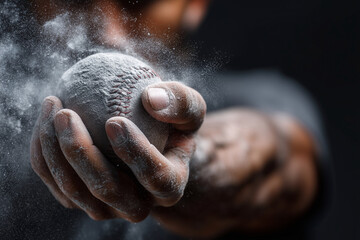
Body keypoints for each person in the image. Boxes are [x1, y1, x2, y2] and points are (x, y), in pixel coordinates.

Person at [5, 0, 330, 239]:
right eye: (77, 2)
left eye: (138, 4)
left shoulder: (262, 99)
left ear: (194, 6)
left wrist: (191, 161)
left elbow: (276, 164)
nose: (109, 35)